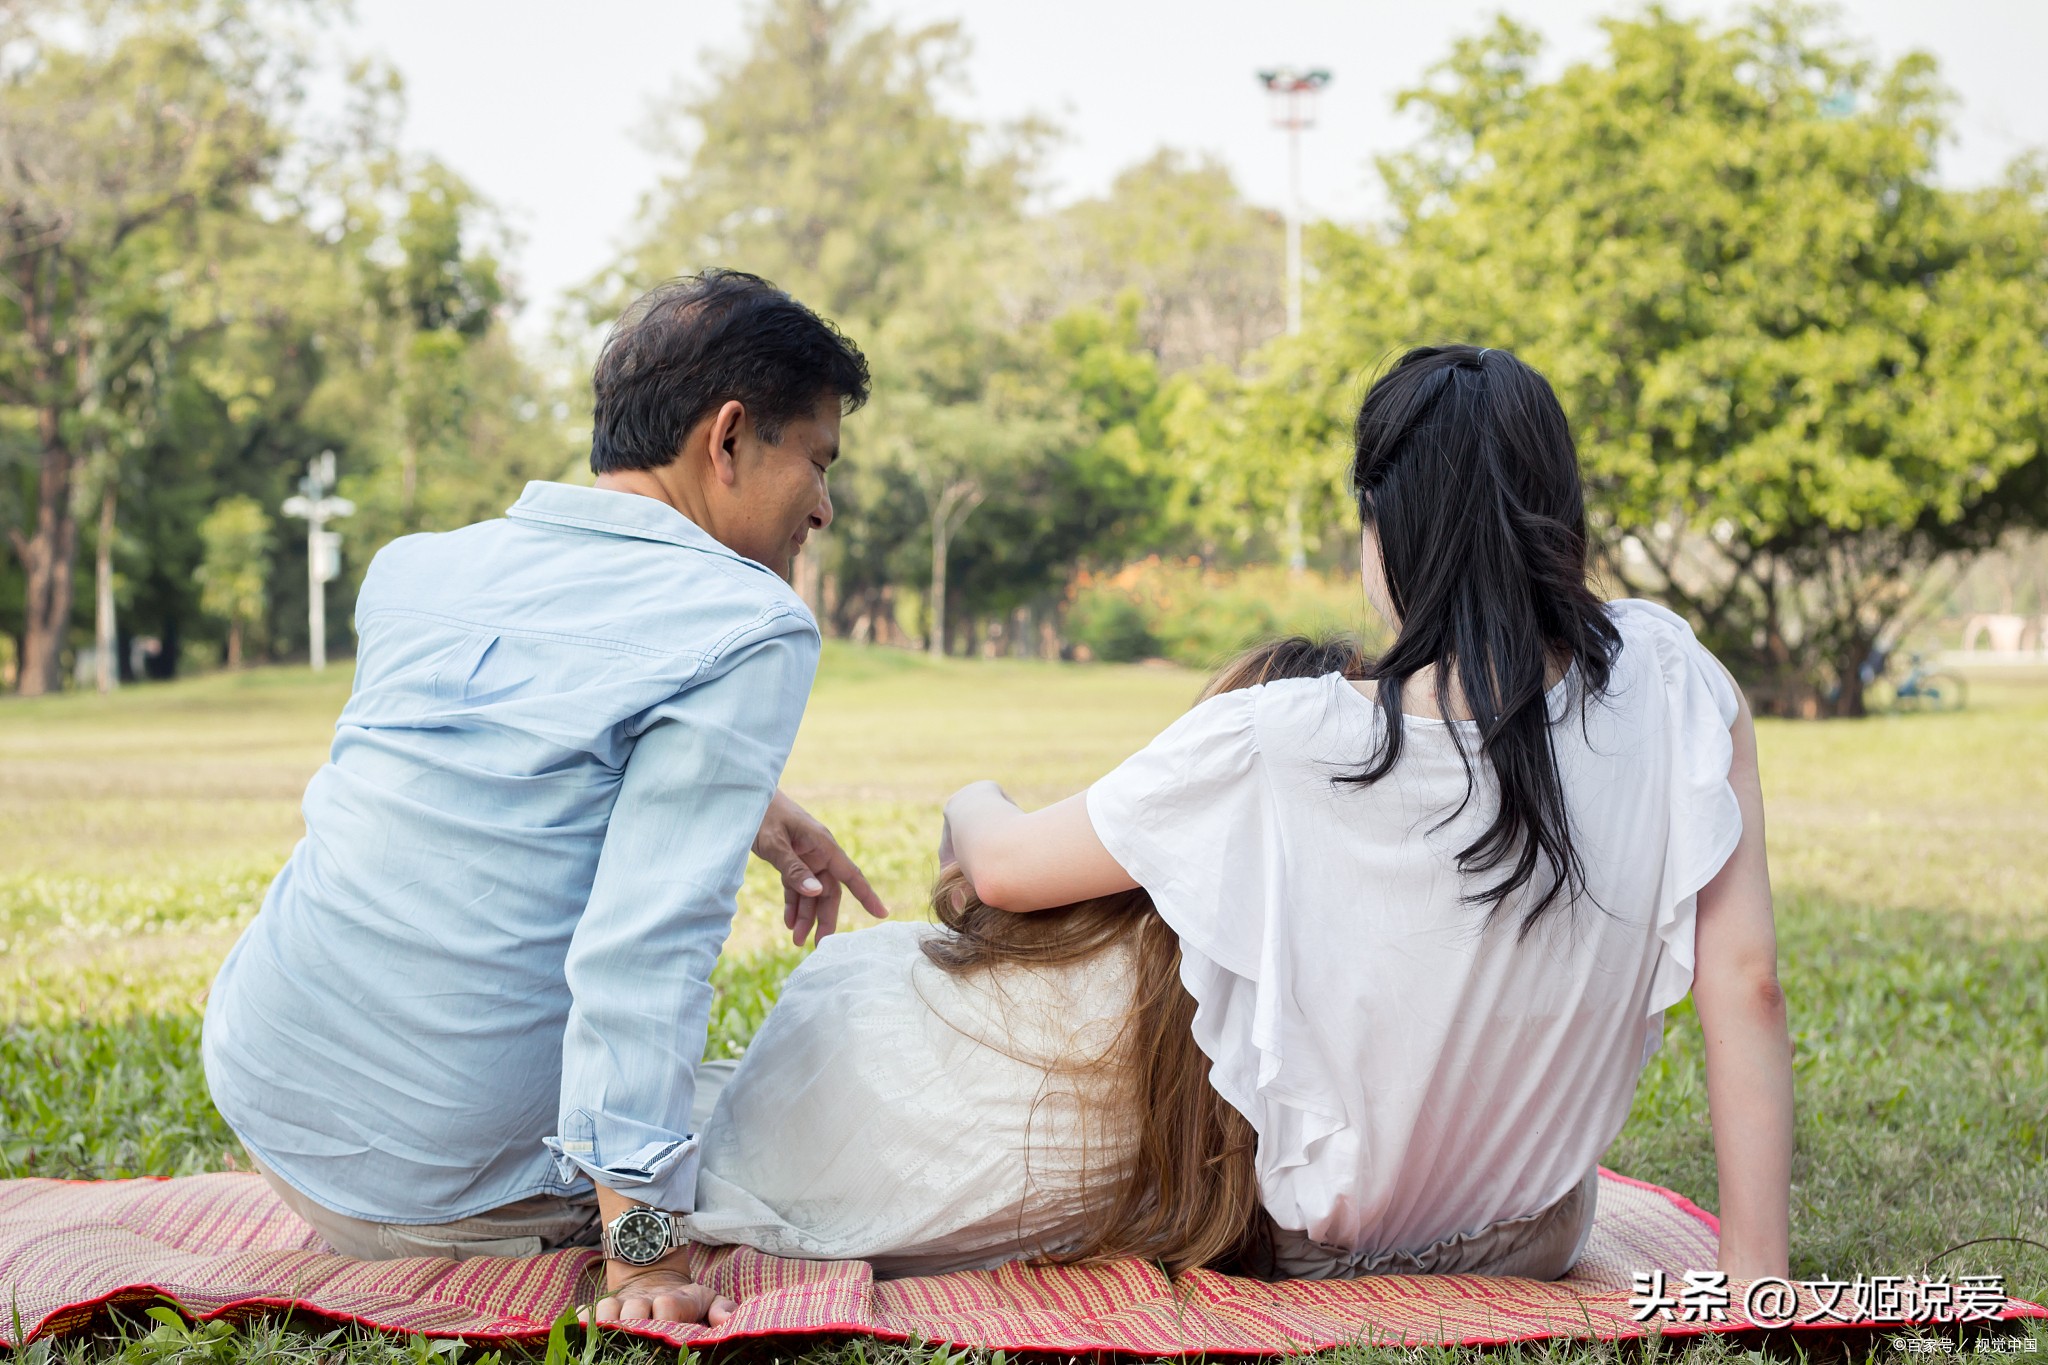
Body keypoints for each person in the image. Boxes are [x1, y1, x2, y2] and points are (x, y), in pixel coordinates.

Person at [932, 343, 1794, 1283]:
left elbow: (1007, 868)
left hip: (1316, 1245)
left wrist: (970, 798)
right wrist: (1758, 1278)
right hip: (1532, 1235)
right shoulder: (1674, 681)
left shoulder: (1288, 734)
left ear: (1387, 528)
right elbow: (1748, 986)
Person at [202, 270, 886, 1328]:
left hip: (272, 1094)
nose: (824, 505)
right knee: (829, 1114)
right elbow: (641, 962)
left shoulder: (418, 568)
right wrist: (643, 1260)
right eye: (818, 461)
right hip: (446, 1192)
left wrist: (743, 801)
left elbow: (481, 779)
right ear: (730, 437)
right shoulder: (746, 619)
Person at [673, 637, 1365, 1283]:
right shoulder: (1314, 1009)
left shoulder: (1122, 912)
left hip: (806, 1129)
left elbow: (986, 870)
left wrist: (974, 792)